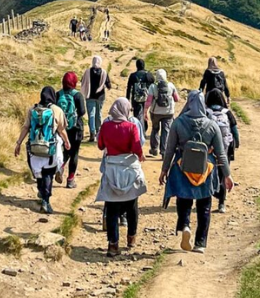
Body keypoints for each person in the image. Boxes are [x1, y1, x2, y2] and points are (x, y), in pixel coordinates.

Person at [159, 91, 234, 255]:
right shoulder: (212, 125)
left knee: (183, 200)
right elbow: (221, 154)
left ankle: (185, 225)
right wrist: (227, 175)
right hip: (205, 170)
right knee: (204, 205)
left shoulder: (178, 123)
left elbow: (169, 149)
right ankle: (200, 243)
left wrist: (164, 170)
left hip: (182, 168)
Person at [96, 98, 146, 257]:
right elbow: (137, 146)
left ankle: (113, 245)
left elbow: (100, 145)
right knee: (132, 205)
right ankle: (131, 238)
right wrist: (141, 155)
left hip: (112, 167)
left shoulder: (105, 126)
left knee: (112, 208)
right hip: (129, 168)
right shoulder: (131, 126)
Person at [15, 87, 71, 214]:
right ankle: (46, 201)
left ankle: (41, 191)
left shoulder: (32, 110)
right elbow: (62, 129)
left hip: (34, 148)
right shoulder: (57, 110)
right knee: (48, 174)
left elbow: (26, 127)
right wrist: (67, 141)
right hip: (50, 148)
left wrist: (18, 143)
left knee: (39, 173)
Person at [205, 89, 240, 213]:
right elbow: (234, 130)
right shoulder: (227, 112)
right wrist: (236, 143)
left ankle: (208, 199)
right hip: (226, 148)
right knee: (224, 173)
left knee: (208, 172)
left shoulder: (206, 112)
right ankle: (221, 203)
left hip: (210, 148)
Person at [55, 71, 86, 189]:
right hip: (76, 128)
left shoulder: (58, 94)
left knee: (65, 150)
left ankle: (60, 167)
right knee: (74, 153)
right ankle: (70, 180)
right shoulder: (77, 95)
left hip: (62, 128)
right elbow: (82, 112)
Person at [145, 69, 179, 157]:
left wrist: (145, 112)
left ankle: (154, 149)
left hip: (155, 112)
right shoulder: (171, 85)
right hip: (168, 112)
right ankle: (164, 151)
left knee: (155, 129)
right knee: (166, 131)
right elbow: (177, 99)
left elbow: (148, 101)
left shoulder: (153, 86)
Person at [81, 55, 111, 141]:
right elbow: (109, 85)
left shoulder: (87, 72)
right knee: (98, 114)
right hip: (100, 97)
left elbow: (82, 81)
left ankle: (92, 133)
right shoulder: (104, 72)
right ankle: (98, 132)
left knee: (91, 115)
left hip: (89, 96)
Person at [126, 59, 154, 131]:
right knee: (145, 112)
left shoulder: (133, 75)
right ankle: (144, 127)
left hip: (136, 98)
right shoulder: (149, 74)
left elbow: (129, 88)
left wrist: (127, 99)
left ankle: (139, 130)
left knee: (137, 115)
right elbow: (153, 85)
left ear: (136, 66)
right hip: (147, 98)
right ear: (144, 65)